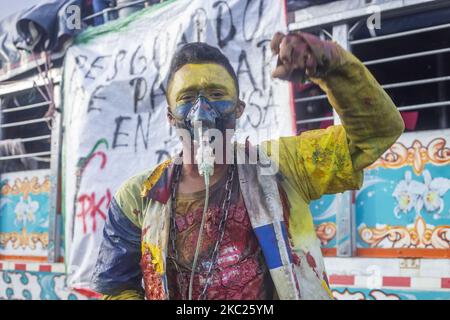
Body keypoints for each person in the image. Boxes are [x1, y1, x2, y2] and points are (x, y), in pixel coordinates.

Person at [90, 31, 405, 300]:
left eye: (216, 94)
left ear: (239, 109)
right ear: (171, 116)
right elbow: (115, 283)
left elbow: (378, 133)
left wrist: (330, 64)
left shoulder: (280, 166)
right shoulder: (137, 198)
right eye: (188, 97)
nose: (203, 111)